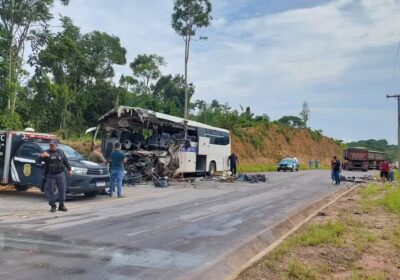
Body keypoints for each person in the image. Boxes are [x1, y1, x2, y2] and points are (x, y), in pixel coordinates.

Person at [39, 140, 72, 212]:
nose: (51, 146)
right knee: (50, 190)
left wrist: (69, 169)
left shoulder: (60, 152)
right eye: (50, 145)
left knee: (62, 189)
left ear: (56, 146)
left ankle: (61, 205)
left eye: (53, 145)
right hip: (51, 175)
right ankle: (53, 205)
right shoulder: (46, 152)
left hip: (60, 174)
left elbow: (65, 161)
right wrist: (41, 156)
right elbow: (37, 160)